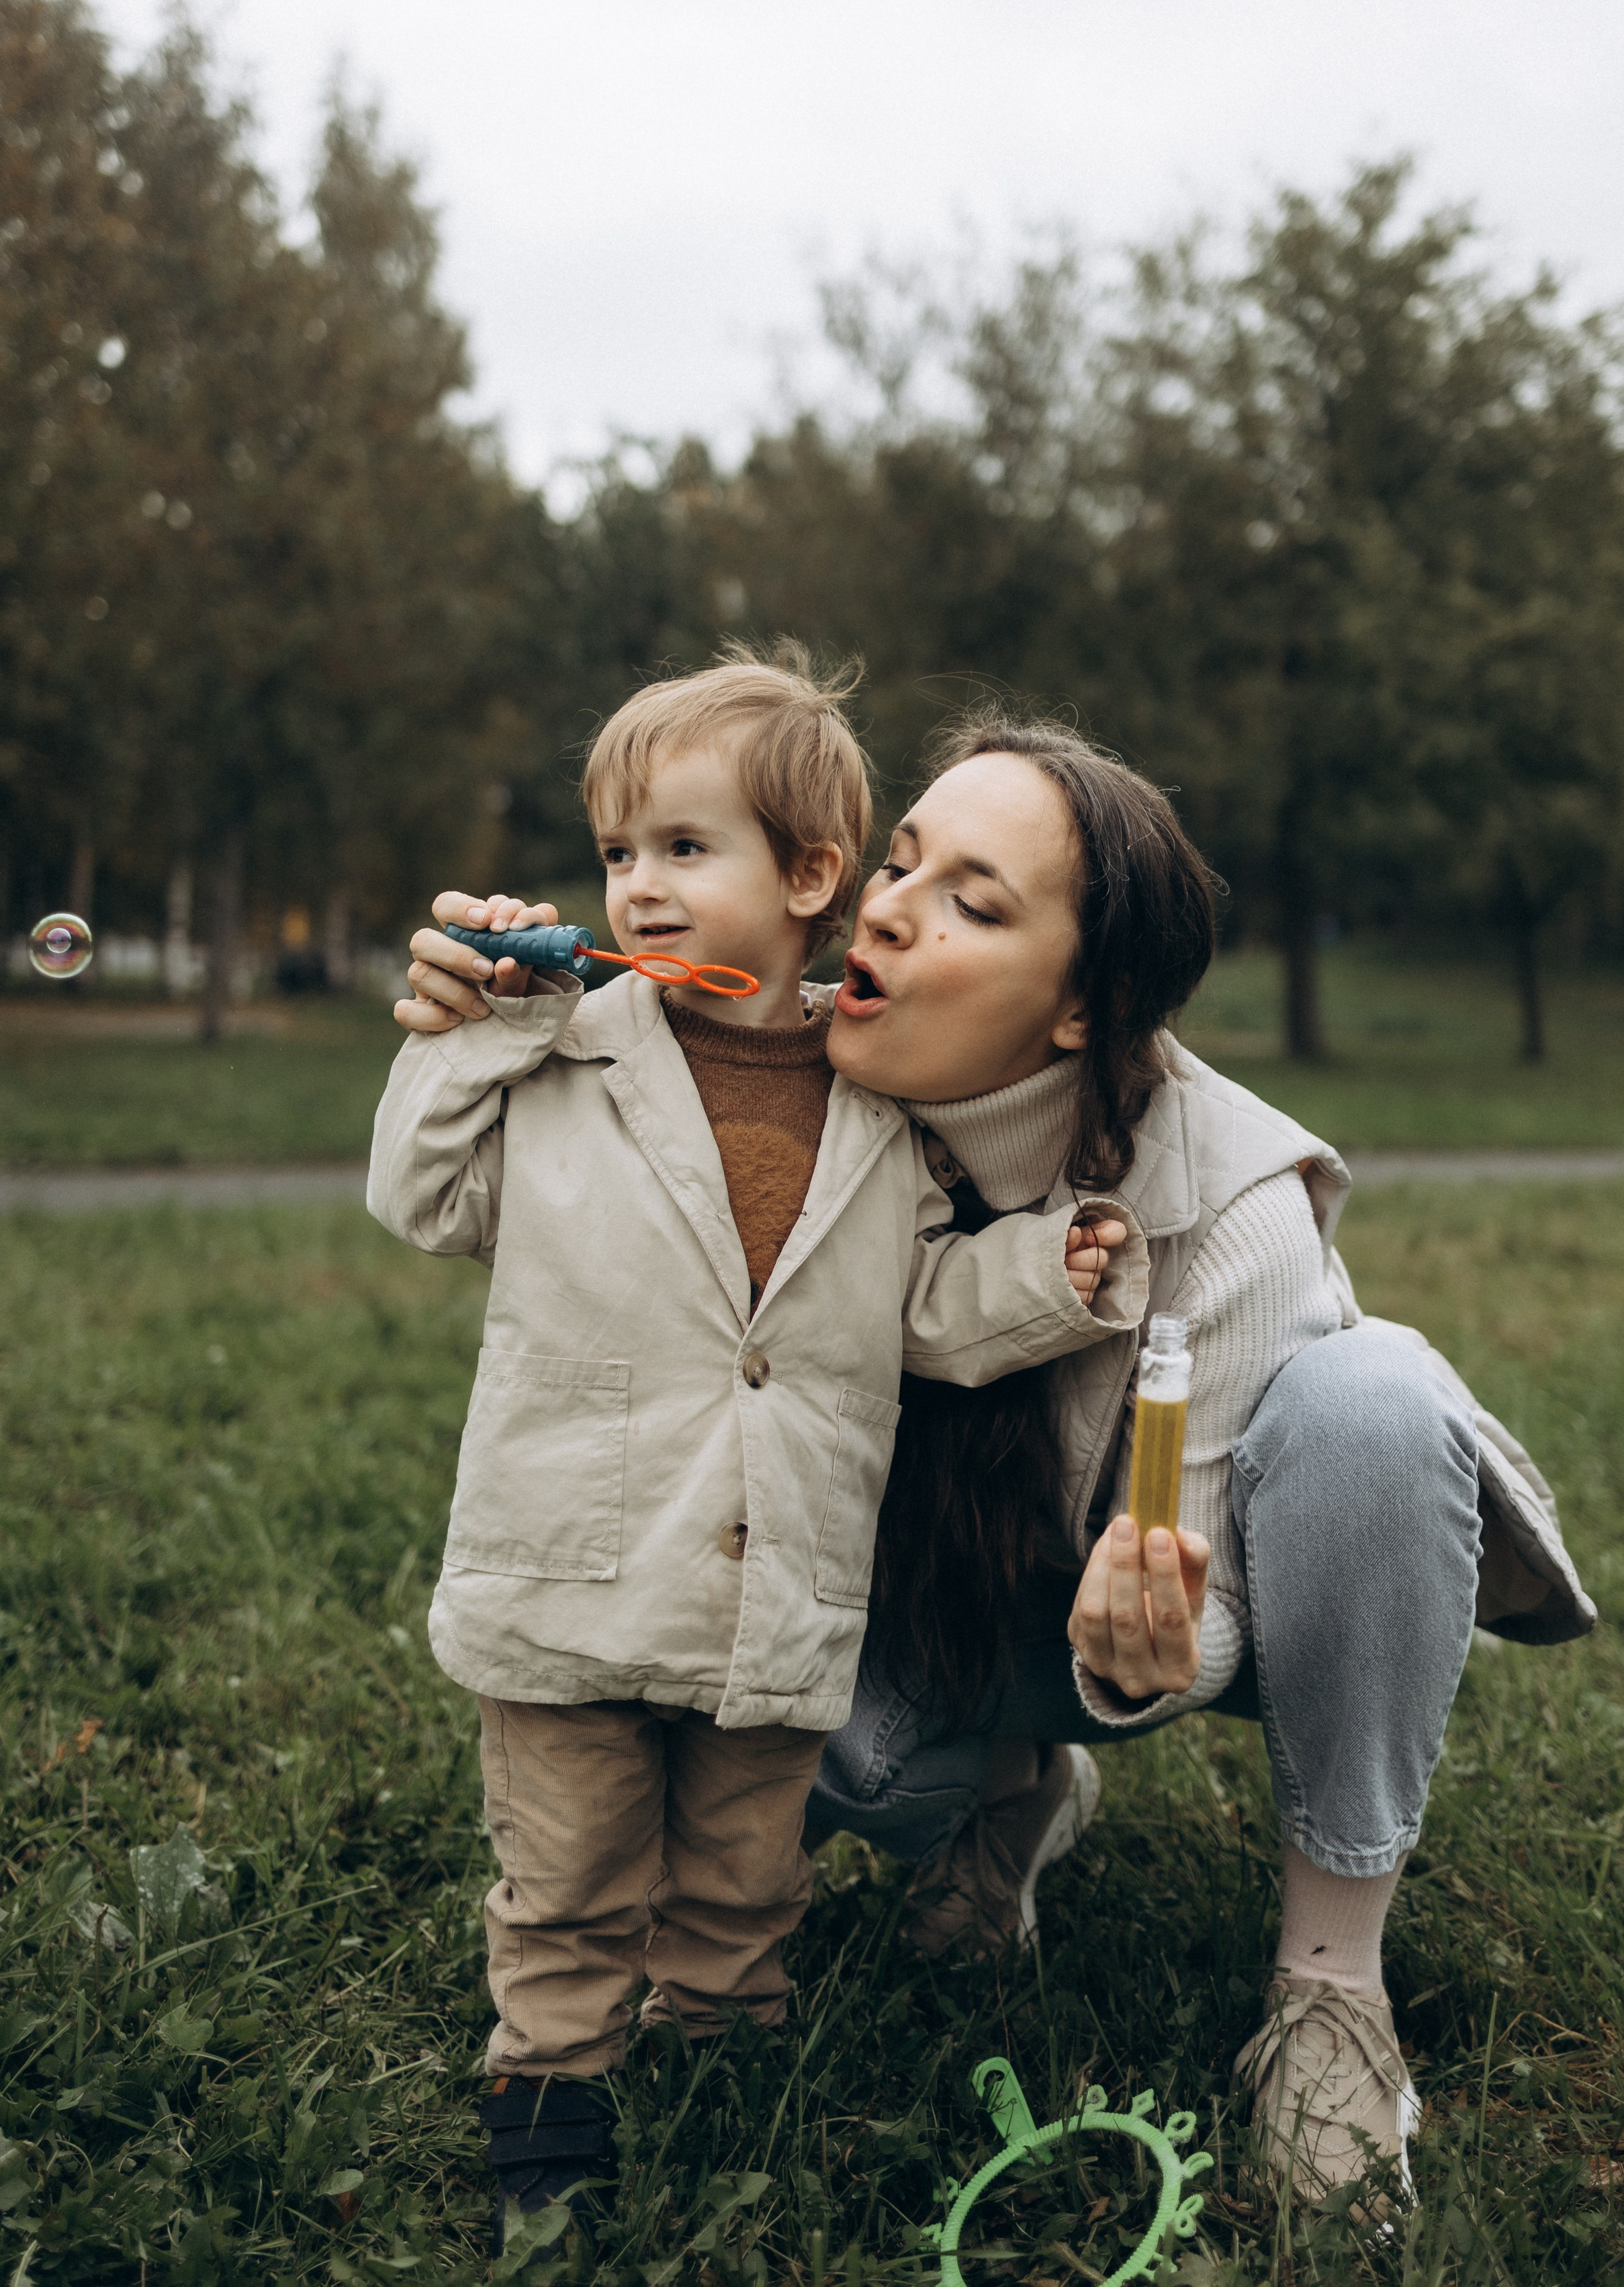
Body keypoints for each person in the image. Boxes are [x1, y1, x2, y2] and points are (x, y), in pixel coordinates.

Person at [402, 702, 1593, 2211]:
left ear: (1085, 1007)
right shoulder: (769, 1072)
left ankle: (1329, 1990)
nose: (887, 913)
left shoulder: (1231, 1202)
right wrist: (482, 1027)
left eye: (971, 903)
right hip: (861, 1611)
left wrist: (1161, 1635)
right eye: (899, 864)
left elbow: (1209, 1606)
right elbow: (492, 1185)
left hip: (1129, 1624)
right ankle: (1001, 1799)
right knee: (833, 1755)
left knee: (1376, 1396)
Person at [369, 656, 1151, 2252]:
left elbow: (917, 1311)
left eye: (682, 846)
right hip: (574, 1563)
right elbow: (420, 1199)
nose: (637, 887)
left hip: (767, 1580)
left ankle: (724, 2064)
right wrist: (477, 1036)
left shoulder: (875, 1103)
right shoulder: (561, 1050)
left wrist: (1041, 1276)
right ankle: (551, 2103)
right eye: (617, 853)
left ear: (807, 878)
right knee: (569, 1870)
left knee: (743, 1870)